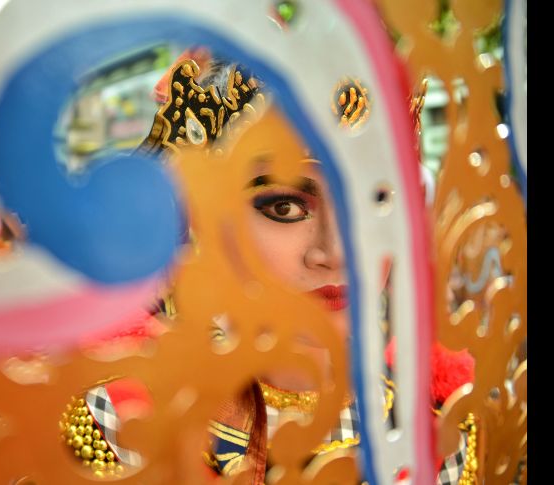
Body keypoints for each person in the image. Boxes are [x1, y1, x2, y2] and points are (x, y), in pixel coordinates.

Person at [60, 51, 477, 485]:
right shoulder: (124, 419)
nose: (336, 253)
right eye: (286, 205)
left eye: (371, 199)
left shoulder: (441, 425)